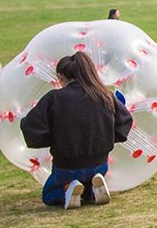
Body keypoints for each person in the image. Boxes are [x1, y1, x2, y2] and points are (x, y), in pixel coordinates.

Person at [19, 52, 133, 209]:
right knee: (88, 178)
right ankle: (91, 191)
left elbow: (31, 127)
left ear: (60, 77)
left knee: (48, 195)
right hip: (99, 164)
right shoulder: (105, 95)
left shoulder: (54, 99)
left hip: (66, 166)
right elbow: (124, 122)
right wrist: (105, 136)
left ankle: (68, 190)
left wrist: (54, 138)